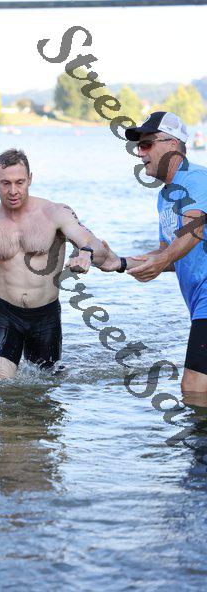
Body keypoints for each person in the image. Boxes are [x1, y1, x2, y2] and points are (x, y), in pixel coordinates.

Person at [0, 148, 123, 379]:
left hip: (46, 315)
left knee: (47, 385)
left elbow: (94, 243)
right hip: (5, 313)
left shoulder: (55, 213)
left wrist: (86, 254)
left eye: (20, 182)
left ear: (30, 179)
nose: (13, 191)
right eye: (5, 183)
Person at [122, 111, 207, 397]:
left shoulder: (197, 179)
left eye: (146, 145)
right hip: (198, 302)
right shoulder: (164, 196)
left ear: (172, 145)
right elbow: (166, 250)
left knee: (194, 387)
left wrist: (162, 260)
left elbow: (194, 229)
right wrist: (119, 262)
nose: (140, 153)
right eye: (138, 146)